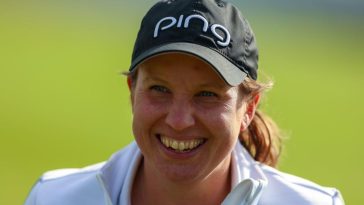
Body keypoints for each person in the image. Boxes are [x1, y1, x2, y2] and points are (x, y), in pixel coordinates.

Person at [24, 0, 345, 204]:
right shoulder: (53, 198)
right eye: (160, 90)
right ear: (132, 91)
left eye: (207, 94)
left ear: (248, 108)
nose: (179, 121)